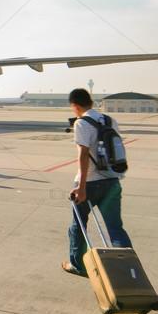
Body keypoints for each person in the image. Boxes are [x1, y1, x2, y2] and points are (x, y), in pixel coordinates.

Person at [61, 88, 133, 277]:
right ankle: (129, 271)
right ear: (91, 102)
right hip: (112, 182)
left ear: (75, 106)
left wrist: (81, 187)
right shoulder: (110, 121)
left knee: (78, 226)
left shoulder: (81, 123)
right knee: (115, 228)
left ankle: (77, 264)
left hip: (90, 183)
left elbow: (83, 154)